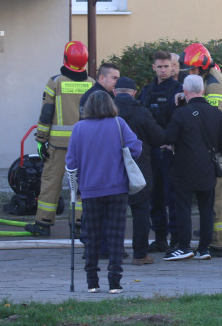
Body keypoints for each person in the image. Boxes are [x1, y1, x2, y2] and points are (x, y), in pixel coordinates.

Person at [64, 89, 141, 294]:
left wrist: (75, 187)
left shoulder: (79, 128)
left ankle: (92, 282)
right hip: (117, 188)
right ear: (110, 105)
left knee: (92, 235)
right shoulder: (119, 124)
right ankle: (115, 281)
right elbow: (136, 149)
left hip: (89, 190)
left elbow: (70, 162)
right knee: (116, 235)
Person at [26, 41, 95, 237]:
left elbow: (46, 114)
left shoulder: (55, 82)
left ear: (65, 59)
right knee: (83, 185)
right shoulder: (91, 84)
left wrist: (41, 140)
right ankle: (79, 225)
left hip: (58, 145)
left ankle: (43, 223)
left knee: (50, 182)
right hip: (84, 146)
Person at [162, 74, 222, 261]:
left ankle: (184, 247)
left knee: (184, 208)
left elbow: (168, 137)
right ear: (203, 90)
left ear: (184, 91)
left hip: (184, 168)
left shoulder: (181, 113)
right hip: (208, 167)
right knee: (207, 209)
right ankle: (204, 249)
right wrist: (217, 152)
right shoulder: (216, 113)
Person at [183, 42, 222, 257]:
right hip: (214, 149)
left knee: (219, 195)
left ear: (202, 66)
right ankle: (213, 234)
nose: (191, 73)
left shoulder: (214, 86)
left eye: (193, 69)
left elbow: (213, 121)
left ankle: (220, 242)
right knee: (212, 194)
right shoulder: (211, 78)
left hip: (216, 151)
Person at [114, 76, 165, 265]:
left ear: (114, 92)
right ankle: (140, 254)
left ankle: (115, 251)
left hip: (111, 169)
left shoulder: (105, 111)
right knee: (141, 211)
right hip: (139, 168)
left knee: (114, 211)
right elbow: (158, 138)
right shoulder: (142, 113)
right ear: (134, 93)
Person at [140, 50, 182, 253]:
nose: (163, 70)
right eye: (160, 66)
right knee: (153, 195)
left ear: (172, 67)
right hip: (151, 150)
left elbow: (181, 121)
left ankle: (175, 238)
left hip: (170, 151)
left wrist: (172, 141)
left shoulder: (178, 90)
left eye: (167, 66)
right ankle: (159, 238)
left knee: (172, 196)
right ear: (153, 68)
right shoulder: (147, 91)